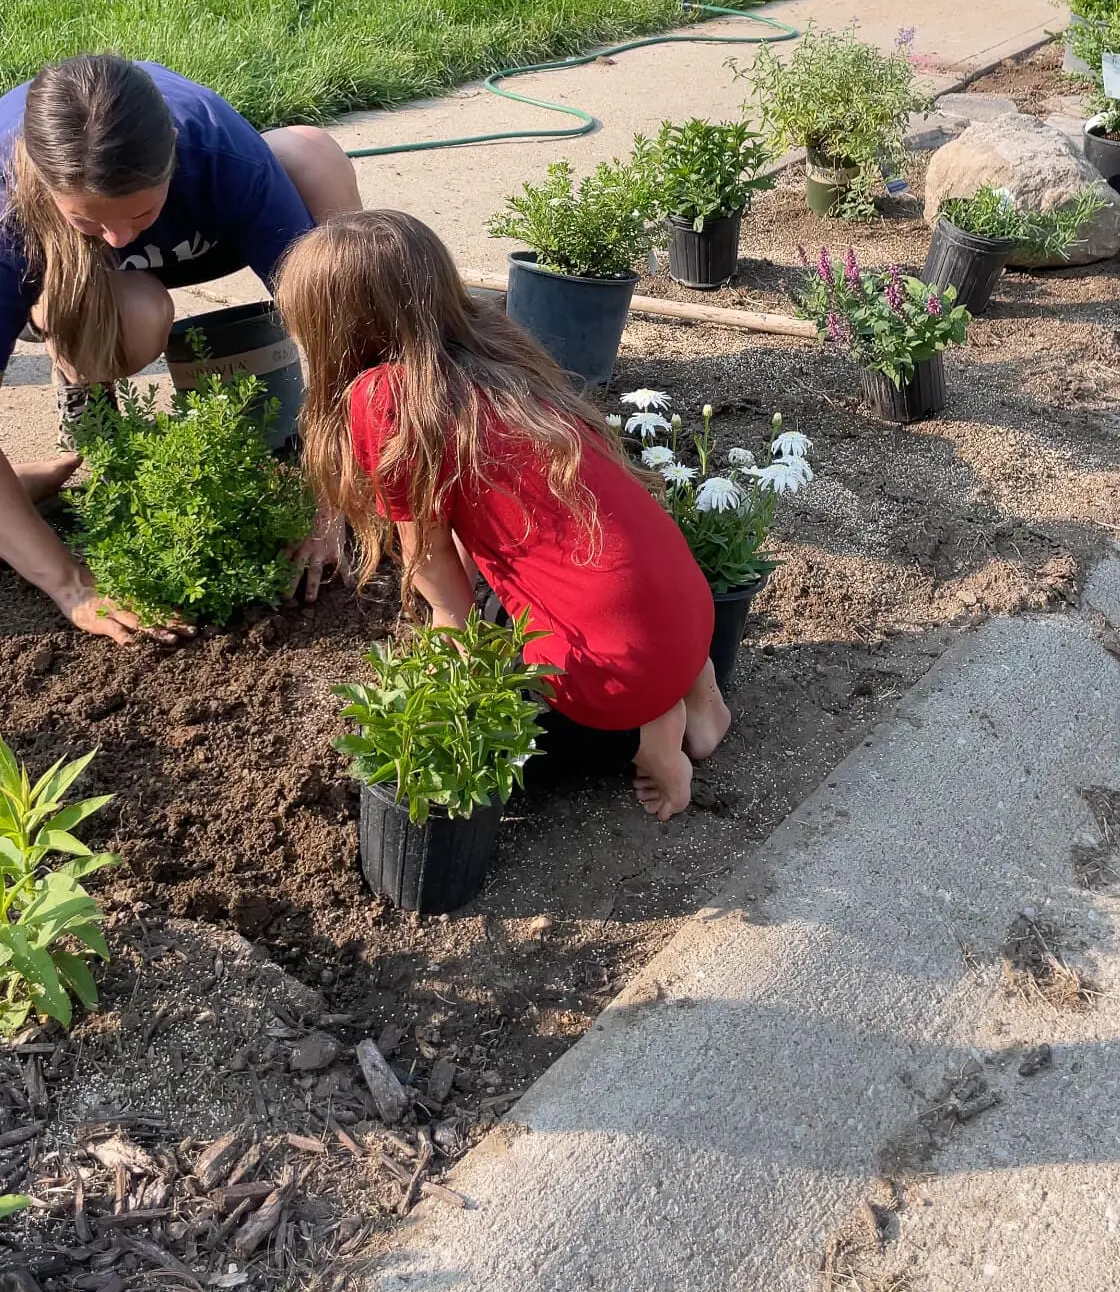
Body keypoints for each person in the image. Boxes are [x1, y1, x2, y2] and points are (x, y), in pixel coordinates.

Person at [275, 208, 730, 821]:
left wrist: (453, 654)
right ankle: (698, 693)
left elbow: (431, 560)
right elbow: (477, 516)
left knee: (537, 721)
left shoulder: (385, 397)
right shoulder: (494, 342)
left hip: (621, 667)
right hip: (685, 599)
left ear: (339, 327)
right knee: (603, 595)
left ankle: (659, 737)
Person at [0, 53, 359, 644]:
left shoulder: (222, 153)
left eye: (138, 211)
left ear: (170, 148)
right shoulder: (8, 204)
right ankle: (89, 406)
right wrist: (70, 584)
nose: (120, 236)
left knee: (309, 154)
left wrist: (331, 502)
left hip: (204, 235)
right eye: (92, 222)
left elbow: (339, 348)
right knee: (140, 314)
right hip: (88, 282)